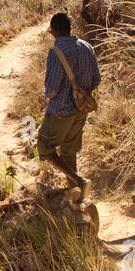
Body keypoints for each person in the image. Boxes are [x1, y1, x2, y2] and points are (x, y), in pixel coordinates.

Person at [37, 12, 99, 197]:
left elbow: (52, 88)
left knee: (45, 148)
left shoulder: (56, 52)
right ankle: (76, 196)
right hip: (81, 109)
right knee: (69, 153)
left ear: (54, 31)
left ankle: (79, 181)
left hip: (60, 112)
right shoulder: (86, 47)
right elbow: (97, 79)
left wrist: (46, 94)